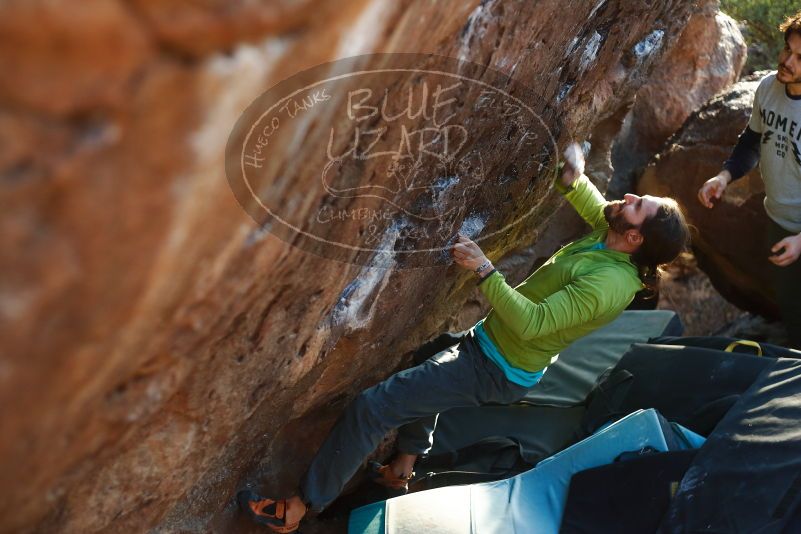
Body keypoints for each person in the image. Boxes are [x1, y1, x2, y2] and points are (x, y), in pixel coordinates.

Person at [238, 145, 690, 532]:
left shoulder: (607, 286)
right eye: (636, 197)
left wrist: (484, 270)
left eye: (636, 205)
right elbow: (599, 208)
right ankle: (404, 464)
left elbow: (532, 322)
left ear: (633, 237)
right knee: (429, 354)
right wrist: (574, 178)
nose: (627, 197)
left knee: (374, 407)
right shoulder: (612, 238)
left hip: (495, 367)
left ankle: (301, 507)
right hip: (489, 348)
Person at [697, 11, 801, 348]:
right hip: (779, 223)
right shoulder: (769, 87)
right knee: (793, 311)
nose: (787, 60)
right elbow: (752, 140)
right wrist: (725, 175)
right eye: (788, 49)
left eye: (800, 58)